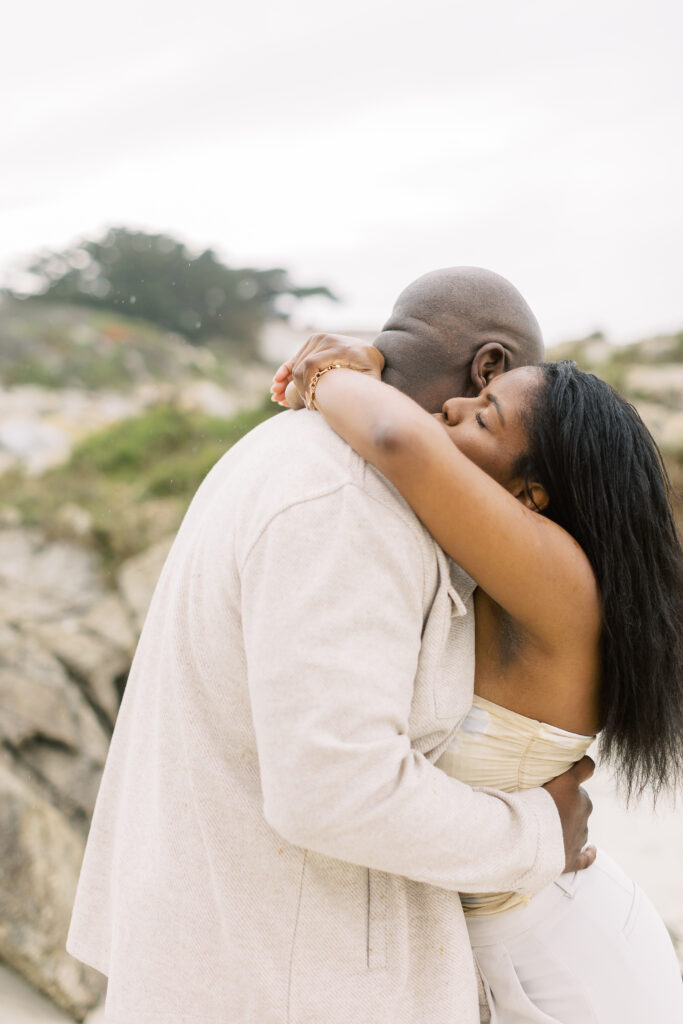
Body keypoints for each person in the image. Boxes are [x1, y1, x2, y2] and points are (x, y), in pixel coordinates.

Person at [67, 268, 594, 1024]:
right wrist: (537, 833)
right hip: (291, 976)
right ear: (489, 368)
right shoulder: (350, 500)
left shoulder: (285, 448)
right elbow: (335, 788)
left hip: (240, 951)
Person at [272, 332, 683, 1022]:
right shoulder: (514, 572)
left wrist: (332, 370)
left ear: (532, 493)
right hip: (506, 944)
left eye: (482, 415)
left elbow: (394, 439)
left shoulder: (560, 581)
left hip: (568, 961)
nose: (450, 409)